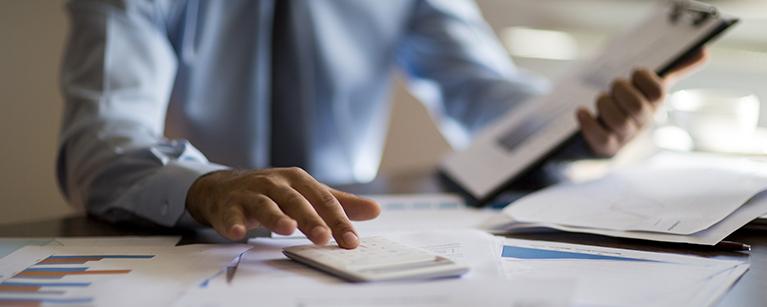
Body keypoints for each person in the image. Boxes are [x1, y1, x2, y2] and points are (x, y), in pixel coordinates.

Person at [58, 0, 707, 249]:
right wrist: (207, 185)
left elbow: (485, 96)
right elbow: (101, 138)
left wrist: (584, 125)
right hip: (195, 243)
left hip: (349, 245)